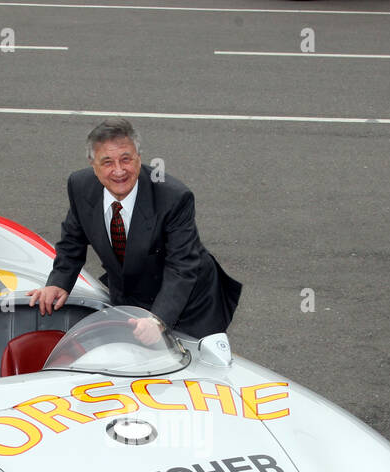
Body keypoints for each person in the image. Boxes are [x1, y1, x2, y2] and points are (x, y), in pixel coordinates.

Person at [28, 117, 242, 343]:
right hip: (131, 297)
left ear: (139, 159)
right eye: (108, 162)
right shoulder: (80, 186)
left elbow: (181, 268)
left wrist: (157, 319)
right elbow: (72, 241)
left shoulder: (174, 198)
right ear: (93, 165)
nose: (119, 171)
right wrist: (58, 283)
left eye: (126, 159)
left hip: (189, 305)